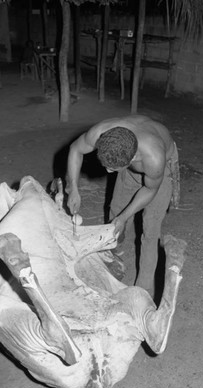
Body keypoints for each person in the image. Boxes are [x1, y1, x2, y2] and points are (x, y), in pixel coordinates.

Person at [66, 114, 180, 298]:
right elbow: (75, 150)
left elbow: (149, 190)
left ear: (132, 158)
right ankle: (114, 253)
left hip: (159, 172)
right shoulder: (101, 133)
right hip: (132, 157)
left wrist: (125, 216)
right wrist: (73, 188)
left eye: (113, 169)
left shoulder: (154, 157)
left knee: (150, 230)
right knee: (115, 212)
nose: (107, 172)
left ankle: (142, 292)